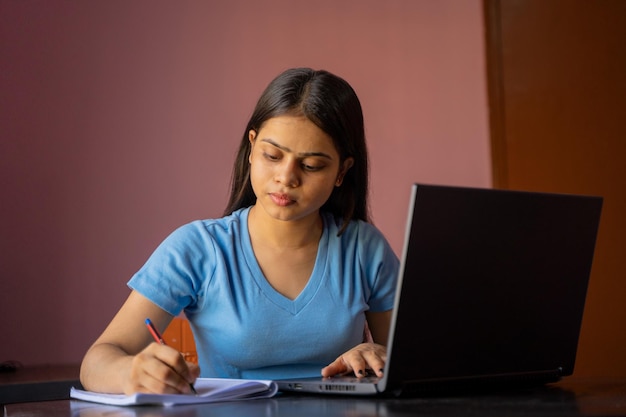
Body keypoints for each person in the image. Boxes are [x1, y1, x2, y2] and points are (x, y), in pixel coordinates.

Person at [79, 67, 399, 395]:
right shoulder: (198, 248)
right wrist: (131, 373)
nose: (286, 178)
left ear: (342, 170)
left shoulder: (365, 250)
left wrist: (381, 354)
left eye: (310, 166)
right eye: (272, 156)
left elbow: (418, 369)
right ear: (251, 146)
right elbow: (97, 361)